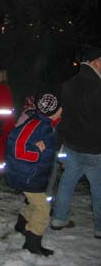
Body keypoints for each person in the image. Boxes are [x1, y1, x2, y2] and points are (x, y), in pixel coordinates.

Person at [51, 45, 101, 239]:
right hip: (95, 148)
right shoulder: (98, 87)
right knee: (98, 188)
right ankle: (99, 228)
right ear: (96, 61)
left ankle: (58, 219)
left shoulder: (69, 84)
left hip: (73, 145)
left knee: (66, 183)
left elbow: (66, 117)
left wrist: (61, 141)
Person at [5, 92, 62, 256]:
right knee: (43, 208)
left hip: (33, 174)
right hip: (28, 175)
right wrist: (36, 150)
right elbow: (17, 147)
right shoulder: (37, 125)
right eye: (60, 108)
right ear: (53, 110)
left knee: (35, 203)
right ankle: (32, 242)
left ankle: (21, 224)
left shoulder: (44, 123)